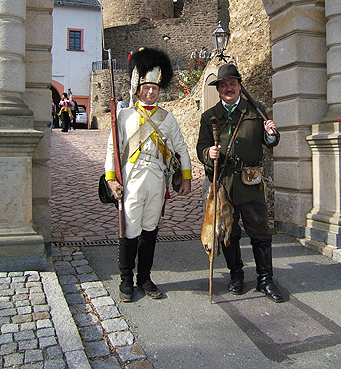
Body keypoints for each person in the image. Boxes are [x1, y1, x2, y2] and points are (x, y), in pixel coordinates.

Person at [105, 47, 192, 302]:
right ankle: (125, 280)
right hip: (131, 180)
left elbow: (181, 148)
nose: (151, 92)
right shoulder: (124, 115)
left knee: (150, 230)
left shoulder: (167, 118)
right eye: (146, 88)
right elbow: (113, 147)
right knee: (129, 231)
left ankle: (144, 277)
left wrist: (186, 178)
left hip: (157, 180)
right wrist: (111, 178)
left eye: (155, 88)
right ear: (138, 88)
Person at [196, 63, 284, 303]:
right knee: (228, 233)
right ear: (219, 89)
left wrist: (271, 133)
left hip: (250, 182)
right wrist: (208, 154)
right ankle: (236, 275)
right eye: (223, 85)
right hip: (224, 183)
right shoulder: (210, 116)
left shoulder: (256, 111)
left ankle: (265, 279)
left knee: (261, 233)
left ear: (239, 86)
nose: (228, 88)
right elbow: (200, 148)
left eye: (232, 84)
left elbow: (271, 142)